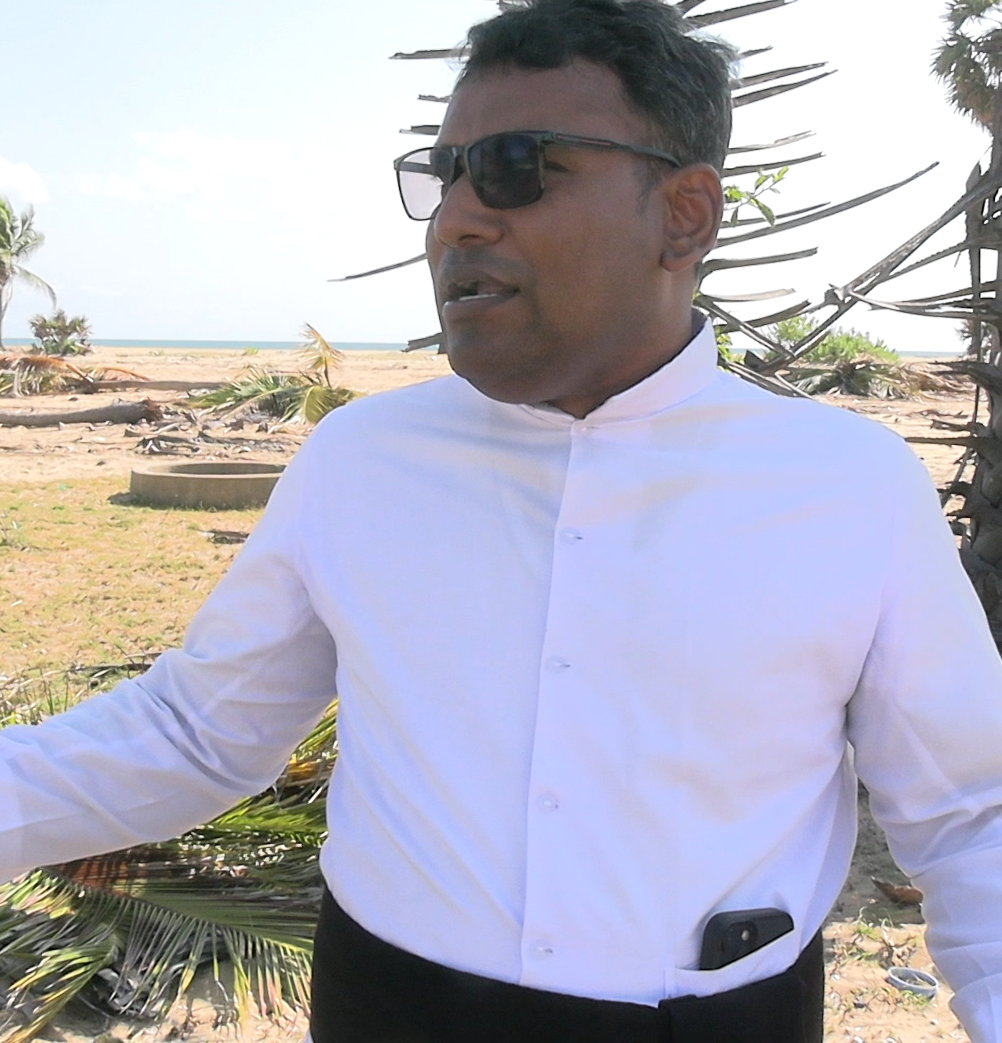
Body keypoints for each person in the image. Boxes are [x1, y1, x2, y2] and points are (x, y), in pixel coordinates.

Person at [3, 0, 1002, 1040]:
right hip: (386, 1011)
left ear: (685, 215)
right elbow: (195, 731)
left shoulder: (850, 486)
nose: (457, 220)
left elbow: (972, 820)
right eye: (445, 175)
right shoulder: (361, 459)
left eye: (517, 167)